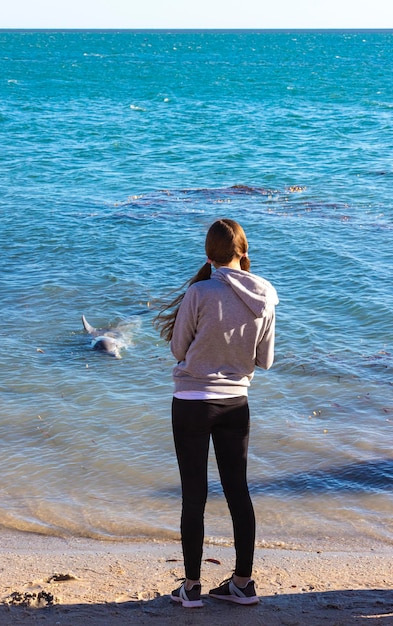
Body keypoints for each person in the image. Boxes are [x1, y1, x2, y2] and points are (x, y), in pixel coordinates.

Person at [155, 218, 278, 609]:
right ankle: (243, 583)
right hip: (235, 403)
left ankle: (191, 588)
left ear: (209, 257)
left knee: (194, 495)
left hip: (191, 403)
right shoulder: (265, 294)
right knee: (238, 492)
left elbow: (178, 351)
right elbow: (266, 361)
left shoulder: (199, 292)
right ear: (245, 253)